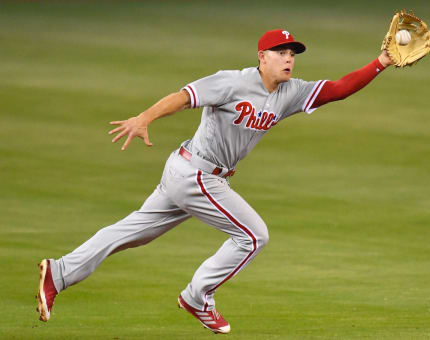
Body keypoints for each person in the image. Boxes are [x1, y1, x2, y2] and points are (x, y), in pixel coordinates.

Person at [36, 29, 393, 334]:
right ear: (261, 57)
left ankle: (59, 272)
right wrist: (145, 116)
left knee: (132, 233)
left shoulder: (290, 92)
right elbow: (184, 97)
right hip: (197, 175)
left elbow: (338, 89)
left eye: (292, 53)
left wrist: (381, 62)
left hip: (188, 172)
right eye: (280, 52)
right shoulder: (233, 81)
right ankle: (196, 297)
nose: (288, 59)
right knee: (254, 236)